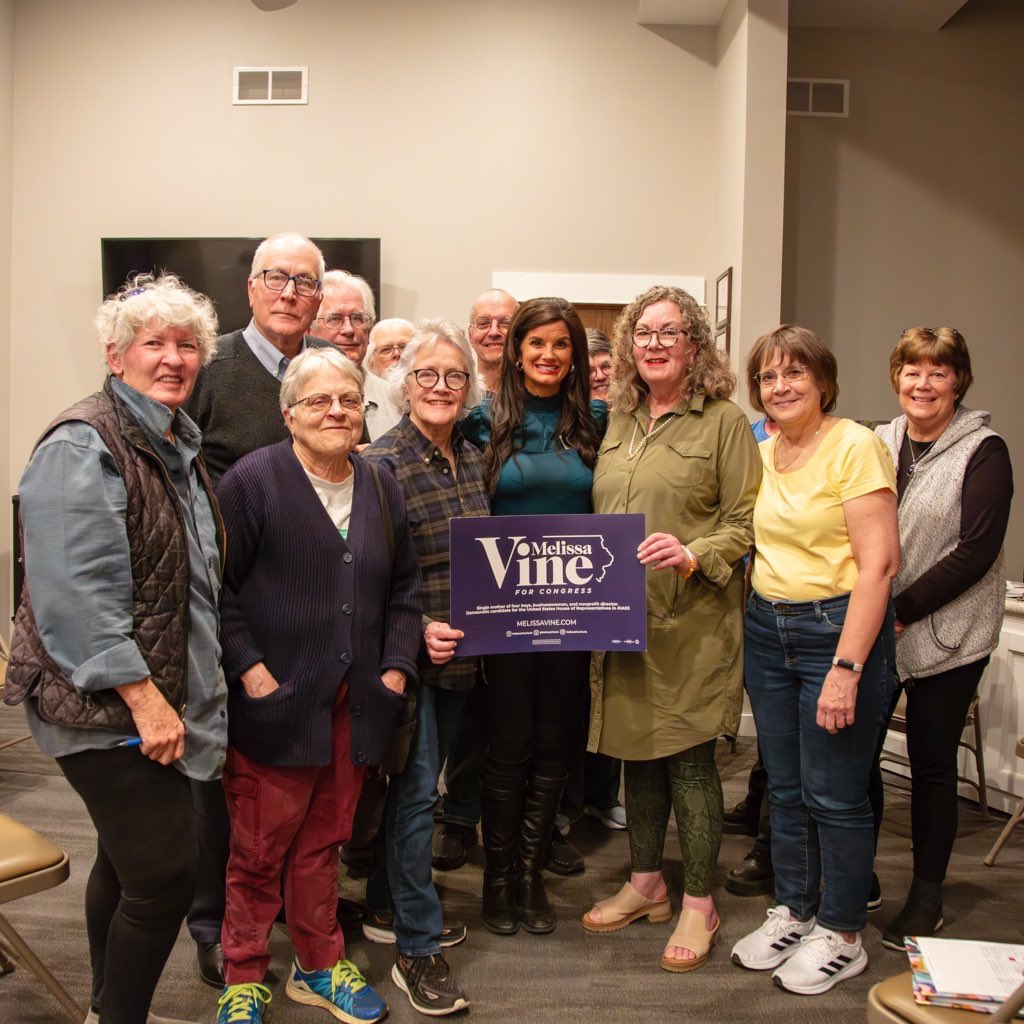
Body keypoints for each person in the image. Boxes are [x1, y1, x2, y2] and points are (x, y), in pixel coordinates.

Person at [4, 273, 224, 1024]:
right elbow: (76, 599)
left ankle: (104, 1006)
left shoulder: (170, 438)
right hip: (103, 702)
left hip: (146, 691)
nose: (172, 358)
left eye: (186, 344)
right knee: (166, 875)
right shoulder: (82, 442)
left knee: (128, 860)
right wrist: (146, 698)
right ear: (115, 353)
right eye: (152, 343)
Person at [213, 347, 422, 1024]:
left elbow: (406, 589)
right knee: (257, 849)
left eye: (348, 399)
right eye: (318, 401)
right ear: (288, 414)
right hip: (277, 703)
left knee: (324, 845)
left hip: (356, 704)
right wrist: (252, 669)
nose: (336, 411)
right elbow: (214, 592)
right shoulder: (251, 481)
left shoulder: (383, 483)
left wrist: (395, 666)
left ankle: (318, 964)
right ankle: (242, 975)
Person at [582, 285, 760, 975]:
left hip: (691, 622)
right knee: (636, 754)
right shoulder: (618, 420)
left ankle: (698, 900)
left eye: (669, 332)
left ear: (694, 344)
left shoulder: (724, 423)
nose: (653, 343)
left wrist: (693, 553)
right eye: (643, 333)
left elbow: (745, 525)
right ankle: (647, 880)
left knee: (688, 761)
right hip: (623, 619)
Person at [731, 325, 899, 995]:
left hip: (837, 631)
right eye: (769, 377)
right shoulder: (762, 449)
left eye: (796, 373)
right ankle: (795, 910)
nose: (782, 386)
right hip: (769, 631)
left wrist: (848, 668)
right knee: (789, 790)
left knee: (836, 793)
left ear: (824, 381)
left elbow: (880, 565)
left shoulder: (855, 445)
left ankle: (843, 931)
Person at [181, 231, 329, 987]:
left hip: (305, 608)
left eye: (304, 281)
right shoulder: (212, 369)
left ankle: (273, 916)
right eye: (276, 276)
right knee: (223, 769)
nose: (289, 291)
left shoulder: (326, 373)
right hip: (225, 598)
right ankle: (213, 922)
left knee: (291, 773)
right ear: (251, 288)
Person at [459, 296, 605, 937]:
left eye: (561, 344)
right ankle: (497, 879)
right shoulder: (479, 422)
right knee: (509, 741)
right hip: (505, 612)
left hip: (576, 610)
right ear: (515, 350)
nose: (548, 355)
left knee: (556, 741)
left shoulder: (599, 422)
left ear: (575, 354)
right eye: (536, 343)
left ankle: (529, 872)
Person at [360, 318, 488, 1015]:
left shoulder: (469, 457)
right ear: (402, 384)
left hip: (464, 664)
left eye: (454, 376)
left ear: (469, 389)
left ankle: (388, 908)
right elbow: (362, 581)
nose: (441, 387)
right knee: (414, 801)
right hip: (410, 662)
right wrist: (420, 629)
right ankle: (416, 946)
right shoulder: (380, 464)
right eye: (427, 375)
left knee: (419, 796)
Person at [875, 327, 1012, 949]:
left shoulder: (984, 449)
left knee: (931, 765)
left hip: (951, 632)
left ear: (958, 380)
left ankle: (927, 893)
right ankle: (861, 880)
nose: (923, 383)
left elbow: (977, 550)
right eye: (912, 370)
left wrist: (901, 608)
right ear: (896, 375)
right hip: (877, 624)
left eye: (938, 372)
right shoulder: (878, 442)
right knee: (857, 760)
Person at [430, 287, 520, 873]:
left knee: (508, 716)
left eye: (503, 322)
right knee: (458, 719)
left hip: (525, 585)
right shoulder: (455, 413)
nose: (493, 331)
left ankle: (507, 825)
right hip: (457, 592)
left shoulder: (536, 400)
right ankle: (457, 816)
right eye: (481, 322)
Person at [310, 270, 400, 441]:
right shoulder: (294, 398)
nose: (348, 330)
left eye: (358, 318)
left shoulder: (396, 399)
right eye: (334, 318)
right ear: (310, 327)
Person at [465, 287, 518, 394]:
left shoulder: (536, 399)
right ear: (470, 335)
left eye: (506, 323)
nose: (494, 332)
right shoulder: (459, 396)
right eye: (483, 323)